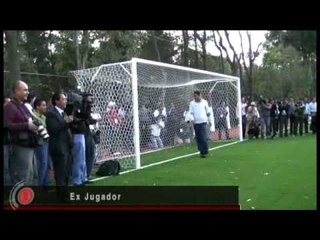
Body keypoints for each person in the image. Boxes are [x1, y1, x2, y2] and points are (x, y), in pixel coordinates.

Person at [4, 81, 39, 186]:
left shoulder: (23, 106)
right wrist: (27, 125)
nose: (27, 92)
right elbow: (7, 125)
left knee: (31, 174)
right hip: (19, 145)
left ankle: (29, 198)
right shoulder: (10, 106)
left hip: (29, 144)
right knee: (23, 175)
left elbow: (29, 120)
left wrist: (34, 126)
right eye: (25, 90)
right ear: (16, 91)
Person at [46, 93, 74, 201]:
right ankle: (62, 196)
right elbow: (53, 129)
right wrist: (65, 122)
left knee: (66, 172)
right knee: (60, 173)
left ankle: (64, 193)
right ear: (56, 101)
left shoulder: (63, 113)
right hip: (58, 147)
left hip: (67, 146)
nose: (66, 101)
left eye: (66, 99)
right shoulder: (51, 114)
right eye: (63, 99)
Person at [33, 98, 51, 187]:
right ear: (37, 106)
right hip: (40, 142)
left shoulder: (43, 117)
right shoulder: (33, 116)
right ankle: (39, 185)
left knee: (47, 163)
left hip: (46, 142)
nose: (45, 107)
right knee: (42, 163)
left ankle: (46, 183)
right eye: (43, 105)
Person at [189, 91, 211, 158]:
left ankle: (204, 152)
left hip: (203, 122)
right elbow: (191, 112)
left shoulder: (205, 102)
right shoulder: (192, 103)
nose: (194, 97)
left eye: (196, 96)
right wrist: (192, 119)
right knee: (198, 138)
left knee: (203, 137)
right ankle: (201, 151)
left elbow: (208, 112)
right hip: (196, 123)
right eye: (194, 96)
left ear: (199, 95)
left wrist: (210, 120)